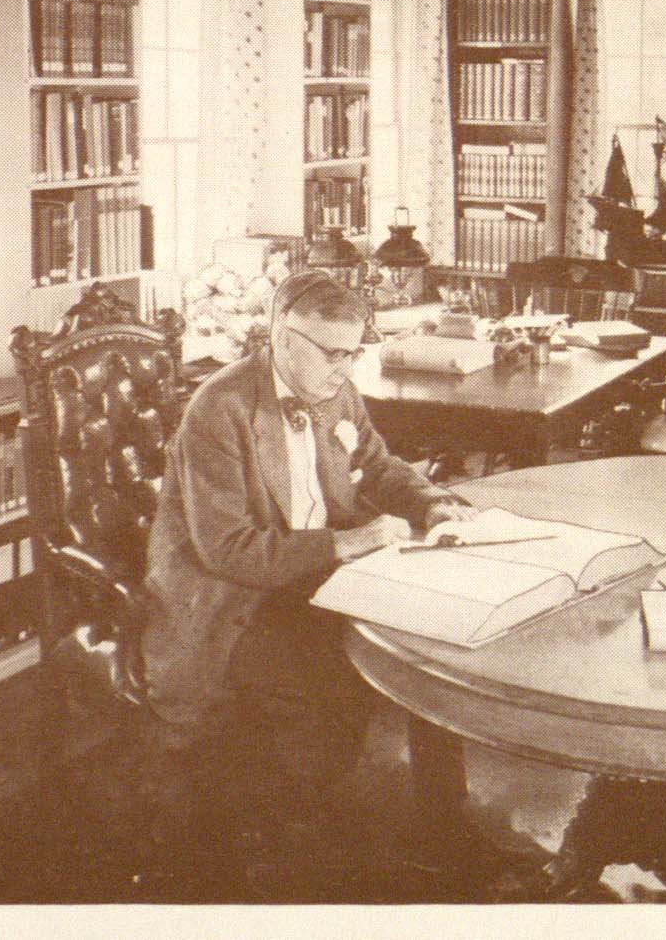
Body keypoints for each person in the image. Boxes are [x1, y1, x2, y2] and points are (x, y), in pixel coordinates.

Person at [139, 268, 473, 898]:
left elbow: (376, 464)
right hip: (234, 598)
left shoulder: (332, 387)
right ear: (280, 337)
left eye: (354, 352)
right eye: (332, 353)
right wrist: (349, 542)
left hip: (316, 574)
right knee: (326, 688)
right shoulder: (219, 408)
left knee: (437, 648)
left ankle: (442, 827)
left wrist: (431, 504)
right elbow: (228, 551)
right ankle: (280, 842)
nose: (344, 370)